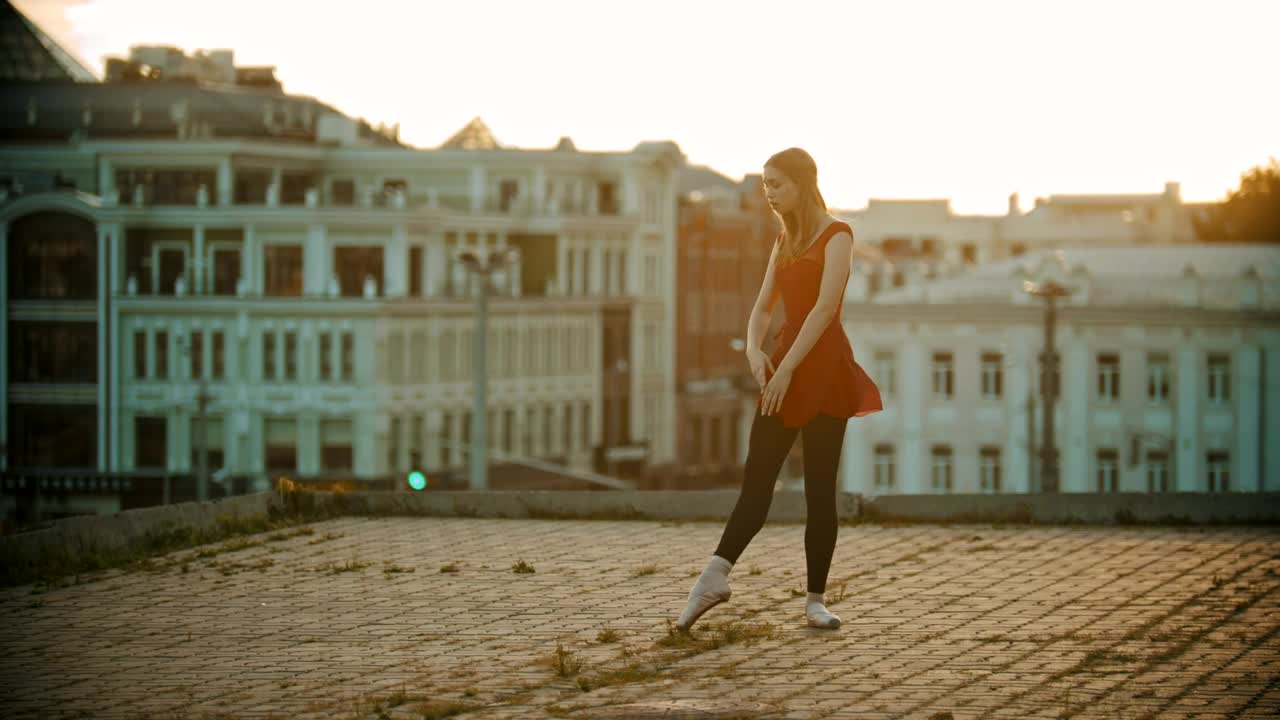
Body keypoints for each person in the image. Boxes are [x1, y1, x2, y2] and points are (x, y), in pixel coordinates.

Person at [676, 147, 884, 631]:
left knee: (819, 491)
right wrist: (753, 349)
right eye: (765, 185)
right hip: (784, 367)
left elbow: (824, 309)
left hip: (825, 369)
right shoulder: (784, 238)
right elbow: (762, 306)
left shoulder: (839, 235)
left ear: (804, 182)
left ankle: (815, 601)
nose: (769, 194)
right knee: (757, 480)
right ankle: (714, 577)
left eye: (777, 185)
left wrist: (788, 367)